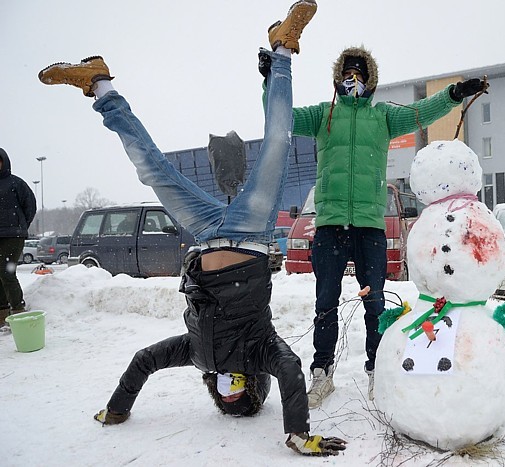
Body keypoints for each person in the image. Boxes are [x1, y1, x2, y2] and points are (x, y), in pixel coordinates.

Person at [38, 0, 345, 456]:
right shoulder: (262, 350)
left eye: (224, 394)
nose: (228, 387)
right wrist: (298, 433)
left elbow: (143, 361)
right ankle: (283, 48)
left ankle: (99, 84)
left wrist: (117, 409)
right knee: (279, 141)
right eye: (238, 390)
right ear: (252, 385)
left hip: (203, 232)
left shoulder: (194, 351)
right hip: (253, 231)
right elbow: (291, 367)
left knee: (152, 169)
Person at [260, 45, 488, 408]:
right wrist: (271, 79)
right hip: (331, 226)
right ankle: (322, 373)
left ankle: (376, 371)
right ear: (338, 78)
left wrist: (453, 94)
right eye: (347, 73)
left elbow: (421, 113)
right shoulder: (323, 116)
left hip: (369, 226)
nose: (353, 79)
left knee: (376, 305)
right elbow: (279, 116)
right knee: (325, 304)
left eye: (359, 74)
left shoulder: (382, 118)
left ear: (369, 81)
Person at [0, 148, 37, 330]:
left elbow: (30, 206)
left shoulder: (16, 183)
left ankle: (18, 309)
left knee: (6, 272)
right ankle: (2, 313)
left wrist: (20, 226)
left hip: (13, 236)